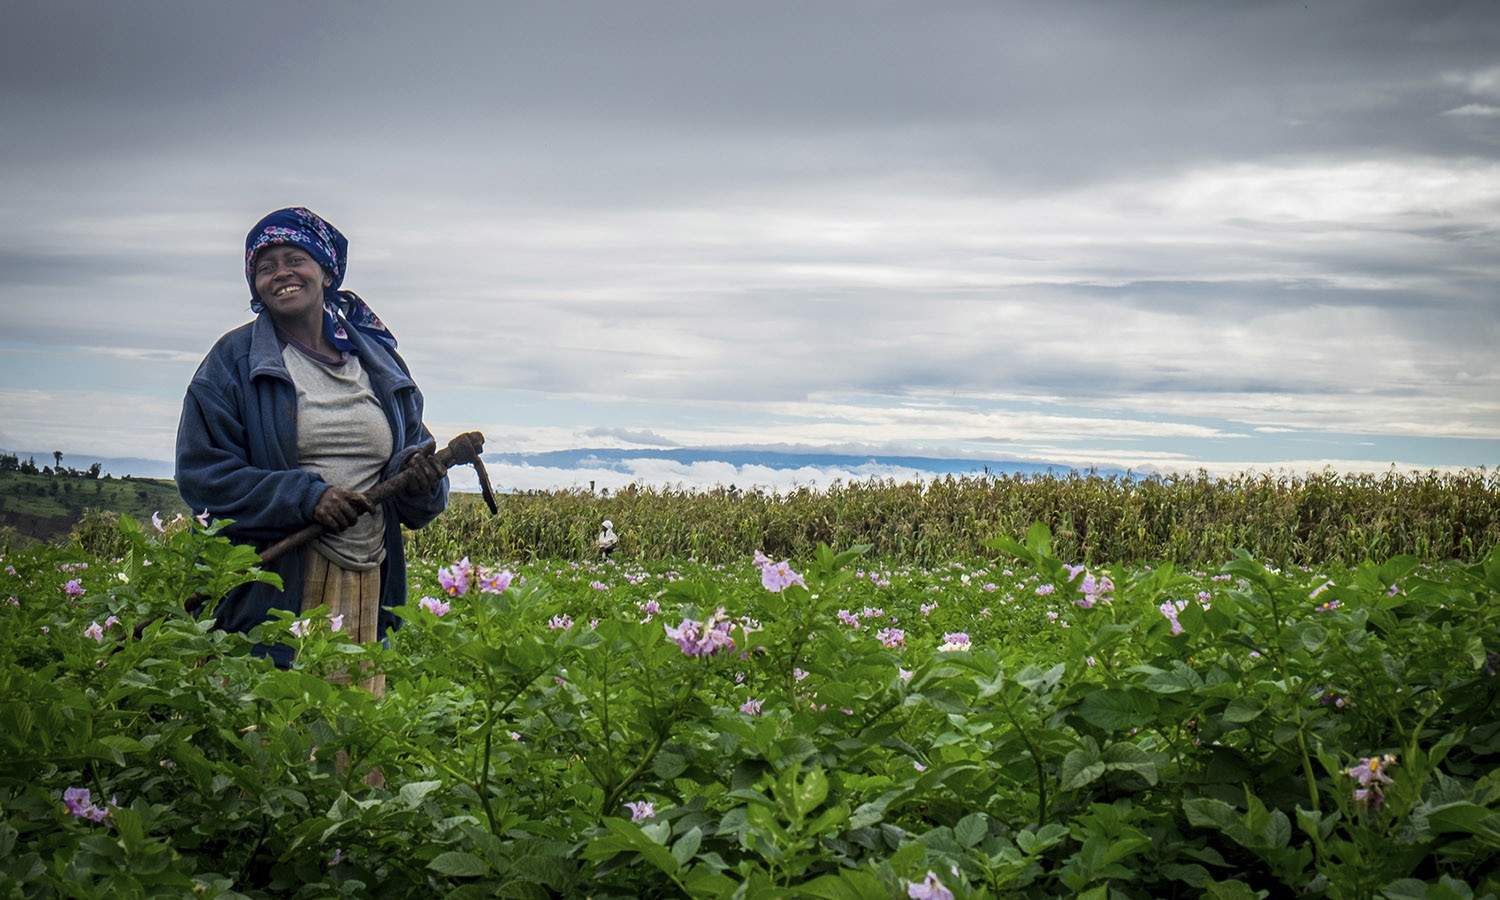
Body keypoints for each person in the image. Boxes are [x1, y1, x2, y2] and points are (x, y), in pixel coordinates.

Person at [175, 207, 449, 682]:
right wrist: (307, 498)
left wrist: (418, 479)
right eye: (265, 267)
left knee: (352, 722)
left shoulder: (379, 361)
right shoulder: (233, 361)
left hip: (368, 586)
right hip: (271, 593)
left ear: (326, 271)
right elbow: (202, 476)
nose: (280, 273)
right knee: (273, 719)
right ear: (254, 285)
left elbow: (417, 481)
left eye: (294, 259)